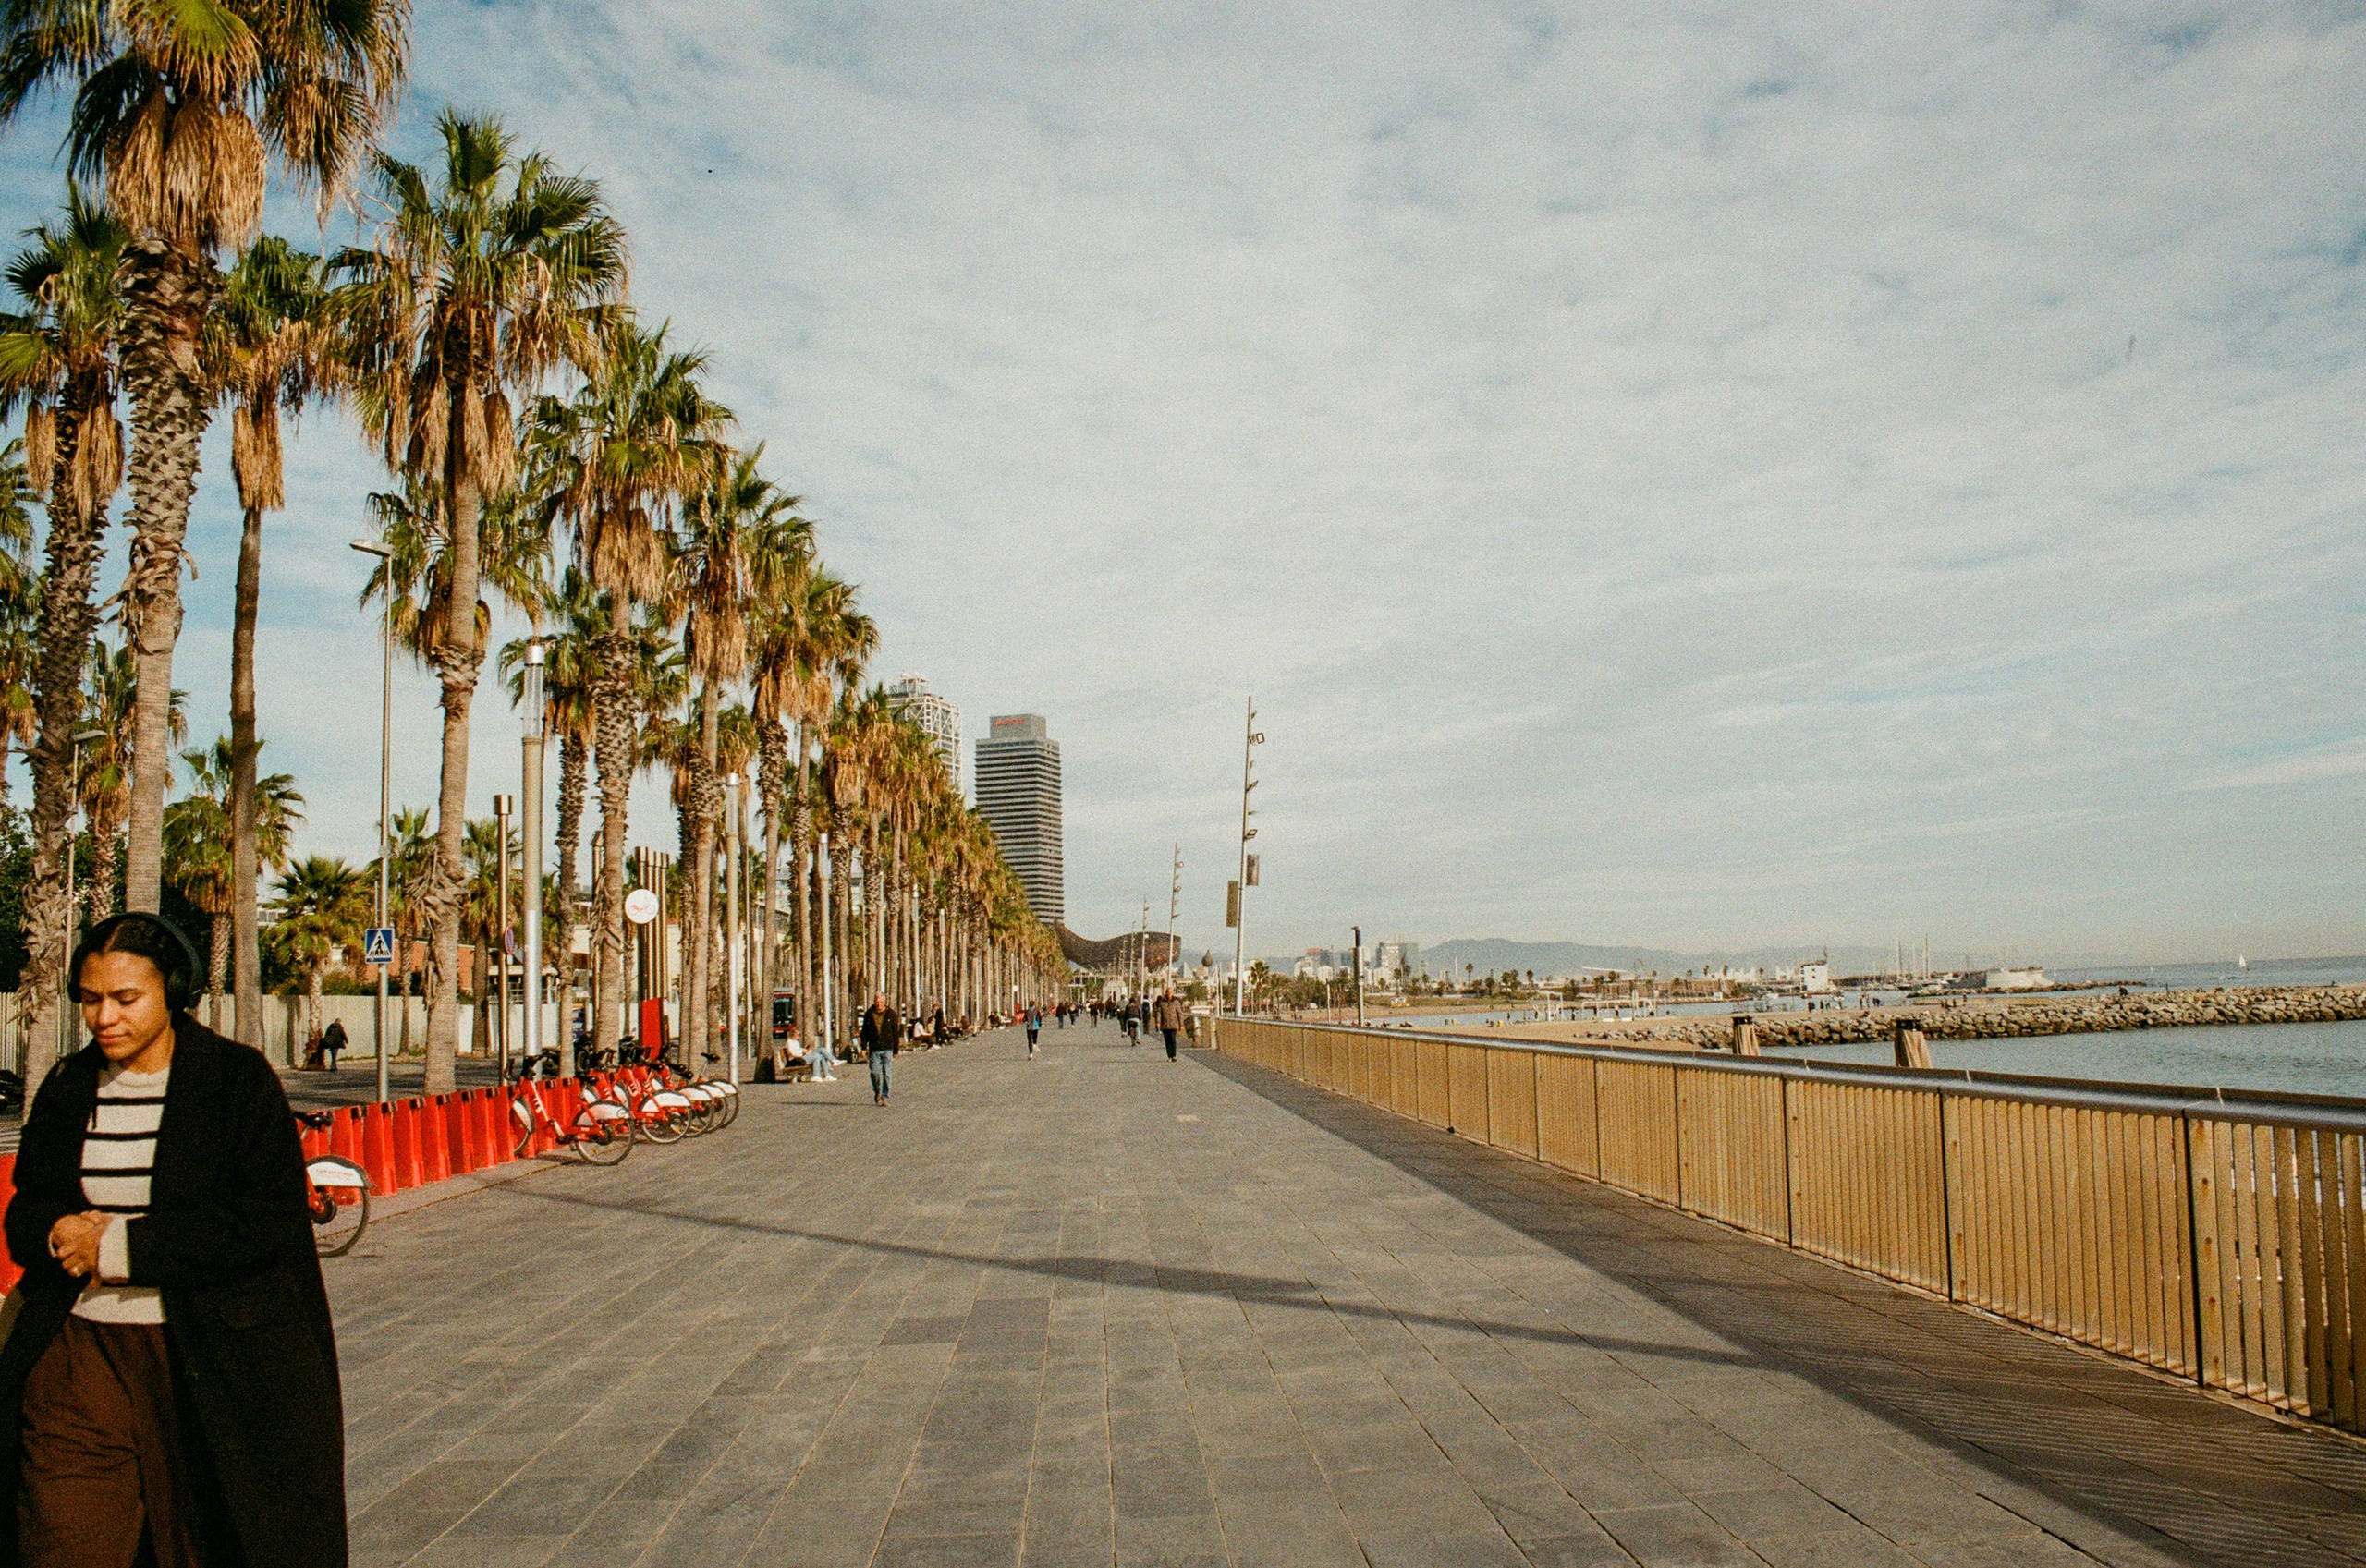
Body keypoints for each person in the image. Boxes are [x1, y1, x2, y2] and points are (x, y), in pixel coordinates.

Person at [0, 912, 347, 1568]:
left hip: (205, 1357)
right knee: (60, 1535)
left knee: (205, 1541)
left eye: (126, 998)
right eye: (92, 998)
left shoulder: (234, 1083)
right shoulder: (68, 1086)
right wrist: (55, 1229)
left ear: (173, 991)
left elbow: (261, 1221)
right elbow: (26, 1206)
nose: (105, 1016)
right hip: (79, 1355)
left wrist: (122, 1248)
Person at [861, 994, 903, 1104]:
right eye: (877, 1002)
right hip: (874, 1048)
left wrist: (896, 1049)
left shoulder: (891, 1014)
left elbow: (895, 1032)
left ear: (884, 1002)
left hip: (888, 1048)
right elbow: (864, 1032)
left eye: (880, 1002)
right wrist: (863, 1047)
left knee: (887, 1072)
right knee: (874, 1072)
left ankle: (885, 1096)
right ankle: (877, 1091)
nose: (878, 1004)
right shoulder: (869, 1015)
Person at [1153, 988, 1187, 1061]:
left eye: (1170, 992)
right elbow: (1159, 1013)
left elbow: (1179, 1014)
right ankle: (1169, 1056)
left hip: (1174, 1024)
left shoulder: (1176, 1002)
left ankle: (1174, 1055)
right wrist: (1157, 1022)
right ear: (1166, 993)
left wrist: (1181, 1025)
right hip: (1165, 1025)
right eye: (1168, 992)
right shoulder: (1162, 1003)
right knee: (1167, 1041)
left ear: (1173, 993)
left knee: (1173, 1040)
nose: (1169, 993)